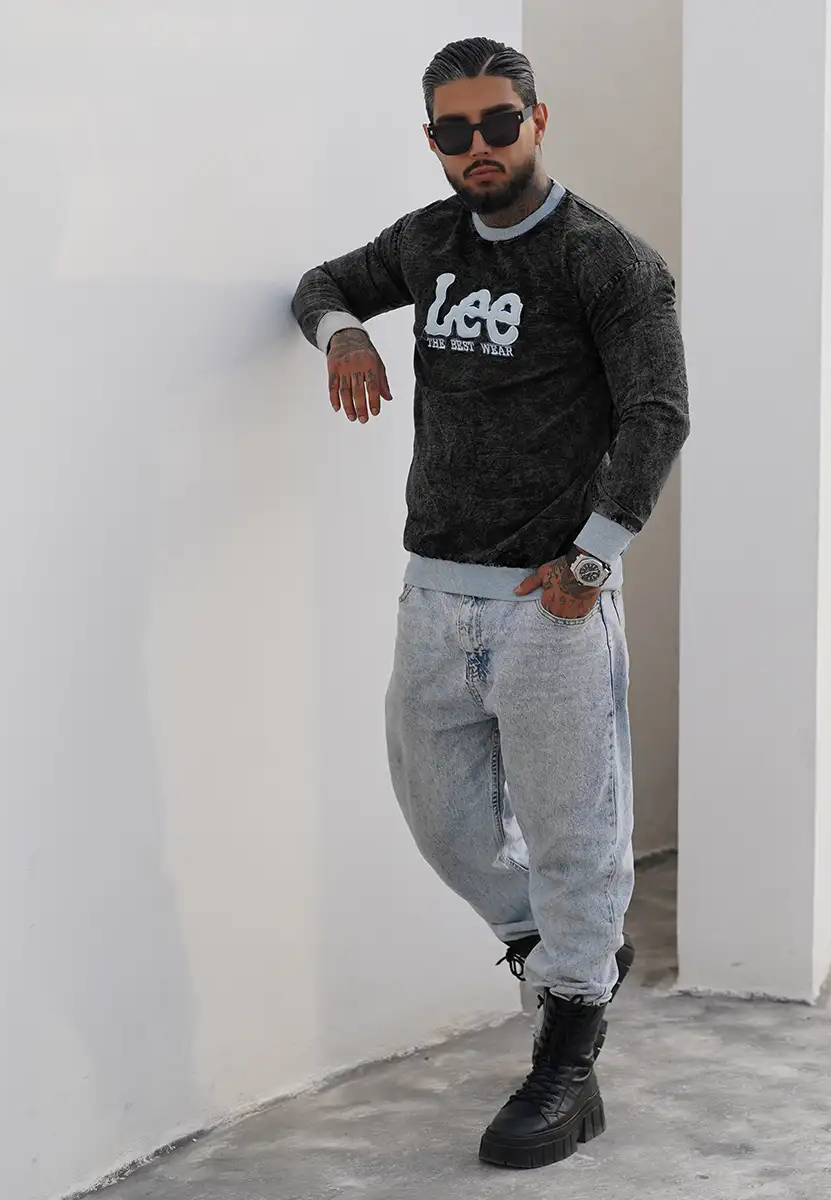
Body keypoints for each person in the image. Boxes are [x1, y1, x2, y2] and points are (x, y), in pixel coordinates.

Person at [291, 36, 689, 1169]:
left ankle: (566, 1057)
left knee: (577, 833)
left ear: (536, 120)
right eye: (455, 131)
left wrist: (591, 563)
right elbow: (322, 284)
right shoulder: (428, 242)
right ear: (433, 140)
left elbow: (658, 412)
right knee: (440, 819)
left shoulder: (606, 259)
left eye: (498, 124)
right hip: (433, 595)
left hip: (549, 607)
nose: (479, 147)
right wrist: (346, 334)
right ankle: (568, 956)